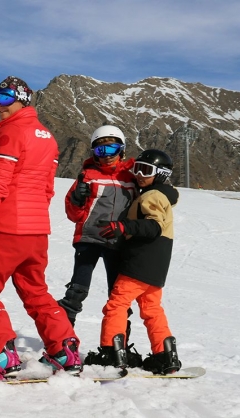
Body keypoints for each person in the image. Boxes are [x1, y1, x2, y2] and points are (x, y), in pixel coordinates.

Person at [0, 76, 82, 380]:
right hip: (36, 231)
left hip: (6, 228)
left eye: (4, 99)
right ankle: (64, 350)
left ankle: (0, 355)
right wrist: (34, 221)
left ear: (22, 100)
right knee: (35, 291)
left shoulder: (10, 134)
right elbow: (47, 190)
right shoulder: (48, 137)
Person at [84, 150, 181, 375]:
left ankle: (111, 353)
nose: (138, 174)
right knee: (151, 308)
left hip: (140, 261)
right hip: (157, 266)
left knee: (117, 303)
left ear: (161, 174)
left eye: (145, 170)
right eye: (136, 168)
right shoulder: (163, 195)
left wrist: (124, 226)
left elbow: (154, 226)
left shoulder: (151, 196)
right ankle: (165, 355)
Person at [58, 126, 139, 342]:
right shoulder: (87, 176)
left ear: (122, 149)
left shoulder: (130, 177)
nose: (106, 156)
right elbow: (72, 213)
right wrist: (77, 198)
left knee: (118, 295)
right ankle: (61, 339)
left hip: (117, 242)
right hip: (89, 239)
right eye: (100, 151)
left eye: (111, 149)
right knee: (77, 290)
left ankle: (117, 340)